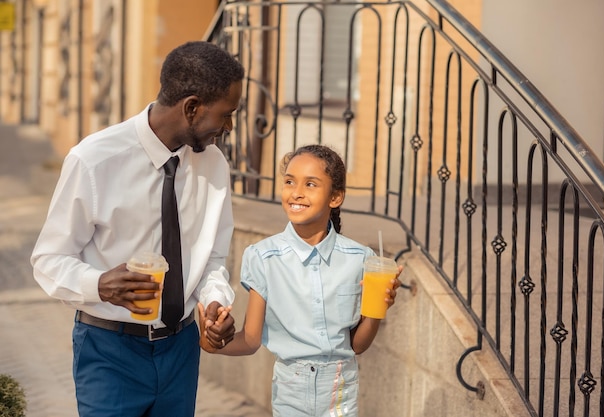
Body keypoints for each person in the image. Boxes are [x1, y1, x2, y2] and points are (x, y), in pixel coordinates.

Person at [31, 41, 244, 417]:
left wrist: (214, 303)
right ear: (192, 108)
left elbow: (212, 258)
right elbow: (48, 259)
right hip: (109, 351)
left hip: (181, 350)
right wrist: (99, 283)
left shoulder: (214, 166)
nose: (228, 127)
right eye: (226, 115)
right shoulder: (94, 160)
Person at [198, 144, 403, 416]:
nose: (296, 192)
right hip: (289, 390)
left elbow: (357, 345)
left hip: (341, 389)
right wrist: (211, 344)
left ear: (336, 197)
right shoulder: (263, 257)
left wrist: (378, 310)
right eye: (289, 181)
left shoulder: (360, 259)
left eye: (310, 184)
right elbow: (250, 340)